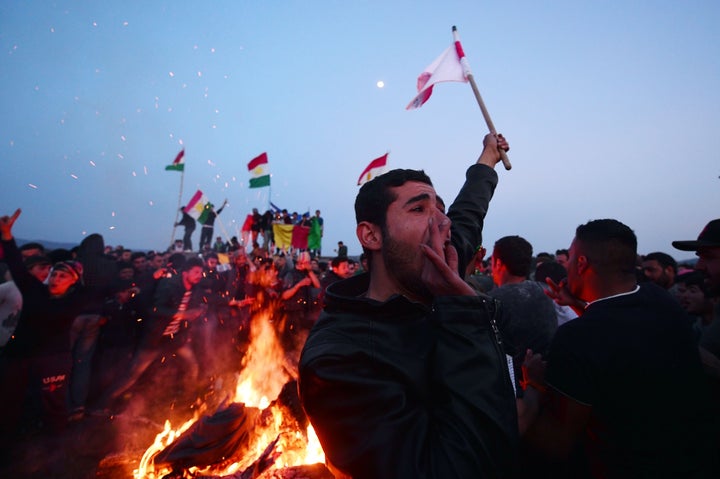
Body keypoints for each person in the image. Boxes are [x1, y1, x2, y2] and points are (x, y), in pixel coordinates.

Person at [298, 134, 518, 478]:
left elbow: (468, 214)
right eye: (418, 209)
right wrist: (464, 312)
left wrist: (487, 160)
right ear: (371, 236)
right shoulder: (340, 359)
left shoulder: (433, 271)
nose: (443, 224)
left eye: (440, 212)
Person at [521, 219, 716, 478]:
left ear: (581, 263)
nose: (565, 266)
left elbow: (556, 444)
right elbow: (619, 328)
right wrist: (580, 303)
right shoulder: (659, 300)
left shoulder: (575, 338)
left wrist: (533, 386)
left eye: (569, 259)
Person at [0, 209, 88, 442]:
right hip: (19, 356)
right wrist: (7, 236)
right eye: (55, 275)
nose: (56, 279)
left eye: (63, 277)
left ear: (73, 283)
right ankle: (8, 443)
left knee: (53, 407)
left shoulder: (74, 301)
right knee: (7, 401)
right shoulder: (34, 291)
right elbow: (17, 266)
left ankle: (54, 450)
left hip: (53, 360)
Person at [488, 235, 558, 392]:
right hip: (548, 384)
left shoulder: (493, 302)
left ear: (498, 263)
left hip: (511, 391)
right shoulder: (544, 294)